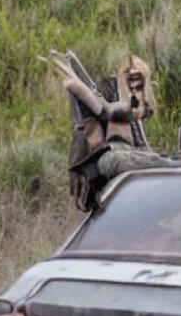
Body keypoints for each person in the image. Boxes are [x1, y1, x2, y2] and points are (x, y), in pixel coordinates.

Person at [41, 51, 170, 210]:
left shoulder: (136, 106)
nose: (135, 86)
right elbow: (103, 109)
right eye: (131, 78)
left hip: (125, 155)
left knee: (161, 162)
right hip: (106, 156)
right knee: (165, 165)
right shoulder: (110, 92)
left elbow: (142, 145)